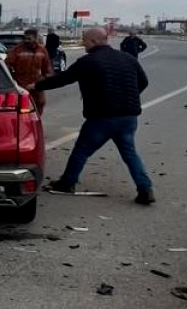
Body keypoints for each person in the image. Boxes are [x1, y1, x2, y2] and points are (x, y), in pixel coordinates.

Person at [37, 28, 154, 205]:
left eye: (85, 40)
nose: (83, 44)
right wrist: (126, 98)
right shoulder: (128, 58)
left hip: (102, 117)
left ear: (94, 41)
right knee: (130, 154)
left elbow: (63, 79)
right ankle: (145, 189)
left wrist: (36, 86)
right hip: (128, 117)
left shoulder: (88, 61)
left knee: (81, 150)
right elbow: (143, 82)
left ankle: (66, 183)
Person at [5, 28, 53, 113]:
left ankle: (36, 119)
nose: (26, 41)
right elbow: (7, 64)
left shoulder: (42, 50)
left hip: (36, 83)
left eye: (29, 38)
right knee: (22, 106)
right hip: (21, 84)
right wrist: (13, 78)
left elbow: (47, 68)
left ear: (35, 38)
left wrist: (44, 80)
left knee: (40, 103)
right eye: (25, 38)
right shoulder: (17, 49)